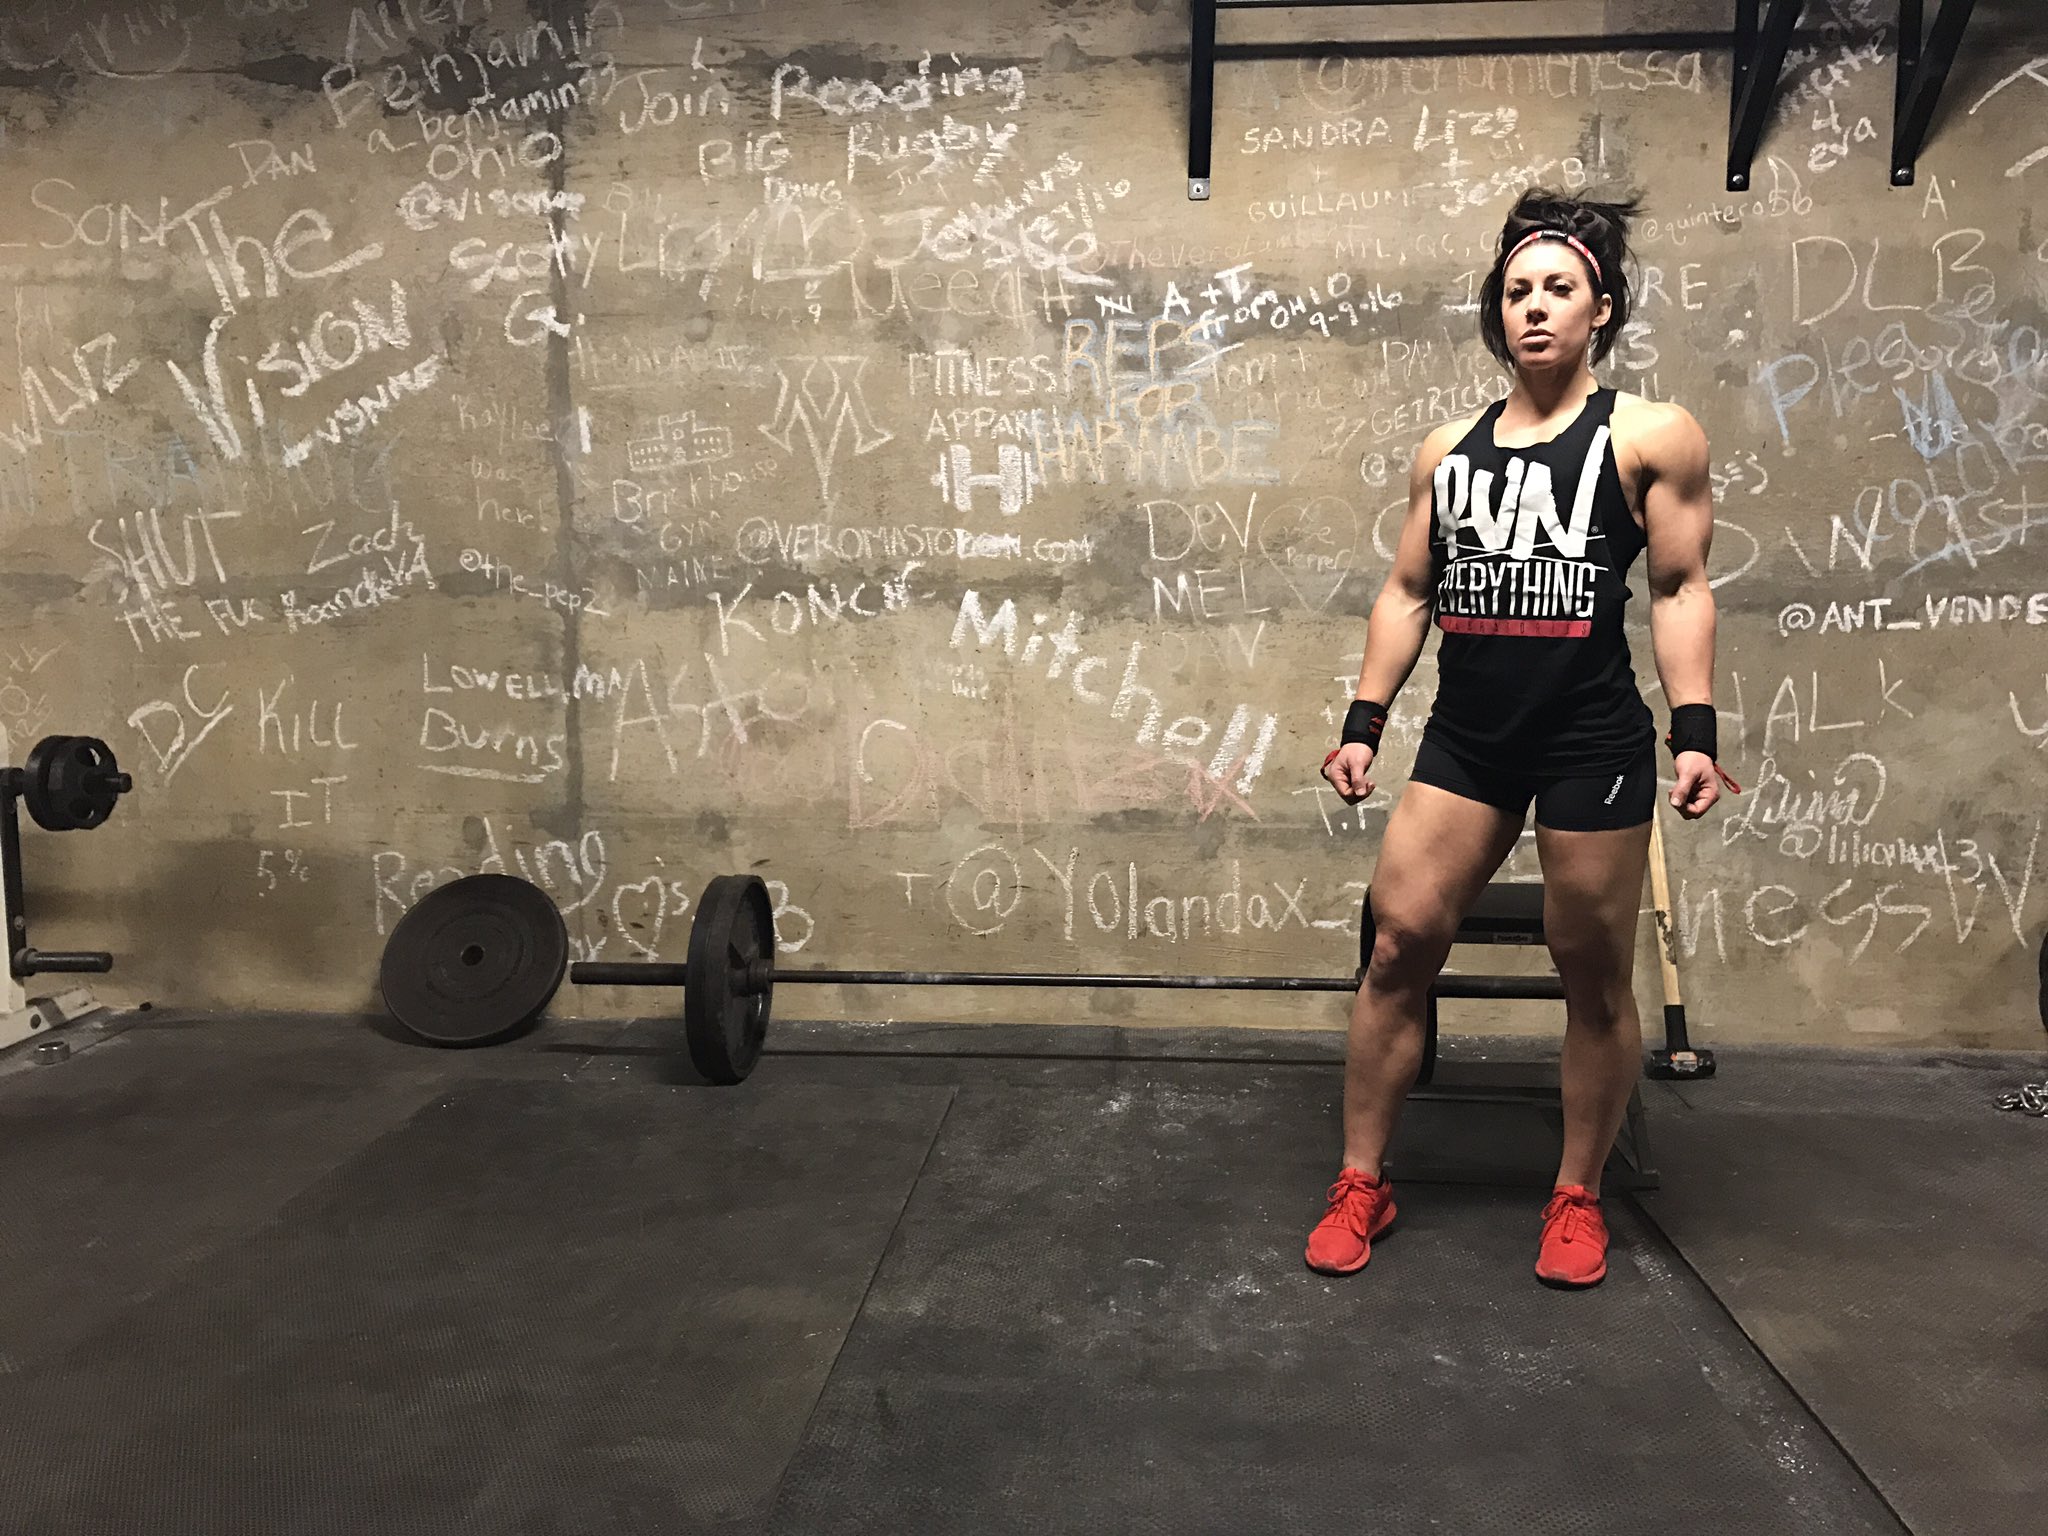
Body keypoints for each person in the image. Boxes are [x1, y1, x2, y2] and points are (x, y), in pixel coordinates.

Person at [1307, 188, 1739, 1289]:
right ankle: (1362, 1180)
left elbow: (1679, 586)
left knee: (1590, 973)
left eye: (1557, 289)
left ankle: (1575, 1195)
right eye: (1515, 292)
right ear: (1495, 312)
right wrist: (1363, 722)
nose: (1533, 307)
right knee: (1397, 945)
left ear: (1601, 309)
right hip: (1469, 740)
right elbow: (1408, 591)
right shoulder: (1447, 451)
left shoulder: (1651, 435)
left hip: (1590, 739)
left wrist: (1693, 731)